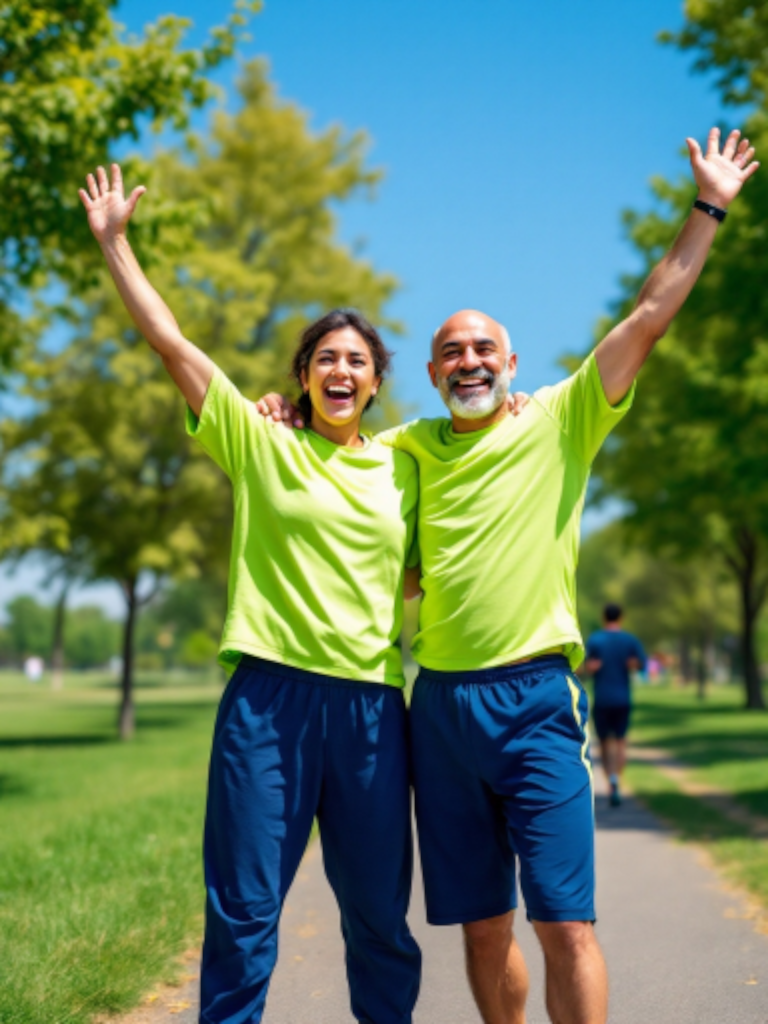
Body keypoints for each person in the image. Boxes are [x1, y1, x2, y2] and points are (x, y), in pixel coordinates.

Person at [257, 127, 758, 1024]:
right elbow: (339, 453)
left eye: (486, 348)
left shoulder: (563, 418)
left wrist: (709, 207)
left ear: (514, 364)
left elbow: (650, 314)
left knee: (566, 925)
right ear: (432, 373)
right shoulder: (404, 448)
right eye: (452, 351)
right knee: (482, 931)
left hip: (534, 701)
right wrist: (282, 410)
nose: (470, 360)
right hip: (439, 711)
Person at [79, 165, 422, 1024]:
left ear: (375, 382)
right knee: (243, 913)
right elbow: (172, 344)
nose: (340, 370)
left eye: (357, 361)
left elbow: (482, 457)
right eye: (324, 358)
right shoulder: (259, 444)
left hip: (374, 711)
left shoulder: (407, 465)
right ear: (303, 376)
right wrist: (116, 244)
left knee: (379, 917)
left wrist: (518, 402)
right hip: (267, 703)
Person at [584, 603, 646, 807]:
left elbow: (585, 667)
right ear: (621, 618)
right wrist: (632, 664)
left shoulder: (595, 640)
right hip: (622, 699)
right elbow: (641, 664)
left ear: (604, 618)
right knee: (621, 742)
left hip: (602, 699)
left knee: (603, 743)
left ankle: (610, 782)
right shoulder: (630, 640)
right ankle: (616, 780)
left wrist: (591, 667)